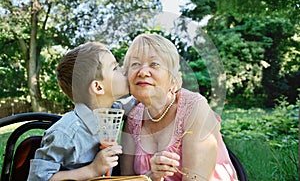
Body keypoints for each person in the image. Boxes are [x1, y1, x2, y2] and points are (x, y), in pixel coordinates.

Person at [120, 34, 238, 181]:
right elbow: (126, 179)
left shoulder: (194, 108)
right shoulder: (133, 119)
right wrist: (152, 177)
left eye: (154, 64)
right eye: (135, 64)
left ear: (173, 78)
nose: (142, 72)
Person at [28, 42, 129, 181]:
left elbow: (136, 102)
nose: (123, 71)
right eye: (115, 68)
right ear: (98, 87)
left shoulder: (113, 111)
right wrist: (92, 169)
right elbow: (38, 179)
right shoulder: (66, 133)